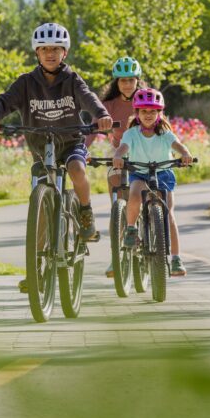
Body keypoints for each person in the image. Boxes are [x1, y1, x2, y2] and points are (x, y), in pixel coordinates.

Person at [0, 23, 112, 290]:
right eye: (44, 49)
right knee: (39, 206)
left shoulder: (72, 80)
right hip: (42, 150)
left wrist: (101, 116)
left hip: (69, 142)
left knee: (77, 169)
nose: (50, 54)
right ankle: (36, 271)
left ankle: (85, 213)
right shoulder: (26, 83)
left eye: (56, 49)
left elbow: (89, 98)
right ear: (37, 53)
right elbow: (4, 100)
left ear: (64, 53)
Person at [112, 88, 193, 277]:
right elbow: (123, 147)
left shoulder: (164, 133)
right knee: (134, 195)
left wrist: (186, 154)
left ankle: (175, 259)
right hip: (139, 173)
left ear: (159, 113)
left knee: (168, 214)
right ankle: (131, 229)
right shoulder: (132, 133)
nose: (148, 115)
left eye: (152, 111)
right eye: (144, 111)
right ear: (137, 113)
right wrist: (118, 156)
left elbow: (177, 145)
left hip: (163, 173)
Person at [86, 56, 145, 277]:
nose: (127, 84)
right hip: (119, 153)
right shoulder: (108, 106)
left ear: (138, 80)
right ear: (116, 83)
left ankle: (151, 229)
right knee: (117, 202)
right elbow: (93, 129)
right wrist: (84, 150)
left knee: (148, 195)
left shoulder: (146, 100)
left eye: (131, 80)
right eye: (122, 81)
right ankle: (116, 257)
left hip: (145, 152)